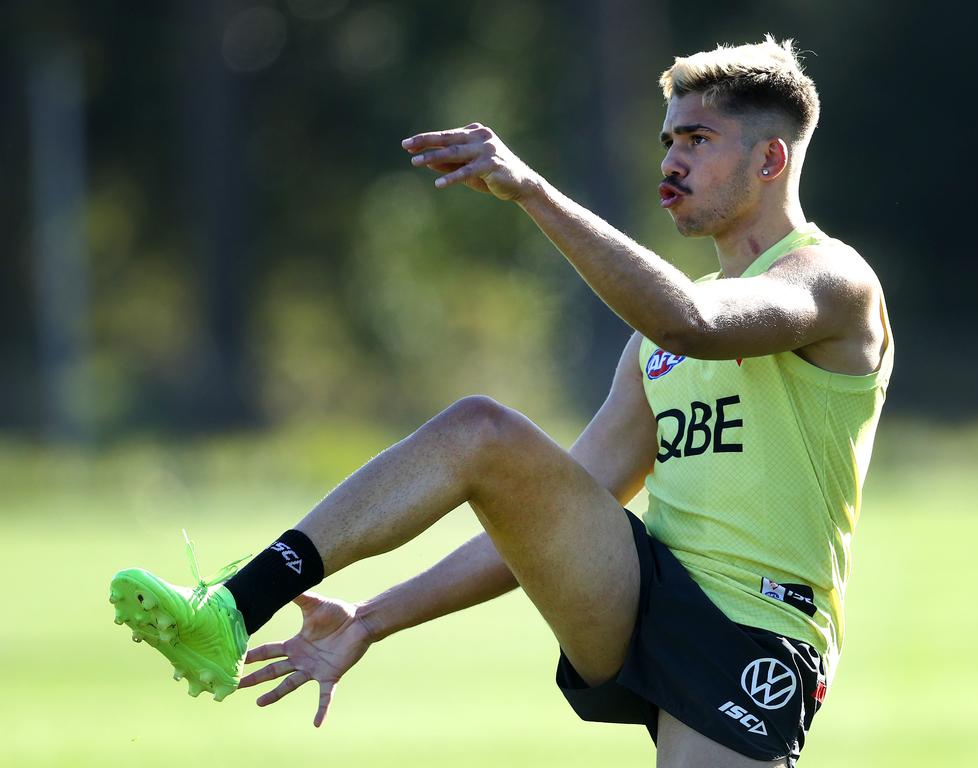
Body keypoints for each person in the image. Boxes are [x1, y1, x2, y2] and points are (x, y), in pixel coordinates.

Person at [110, 36, 893, 767]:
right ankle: (235, 606)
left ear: (770, 159)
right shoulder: (651, 352)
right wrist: (370, 619)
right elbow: (540, 524)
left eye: (697, 140)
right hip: (642, 592)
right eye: (667, 141)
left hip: (757, 628)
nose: (672, 159)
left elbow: (692, 322)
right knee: (481, 432)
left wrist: (533, 192)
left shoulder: (832, 280)